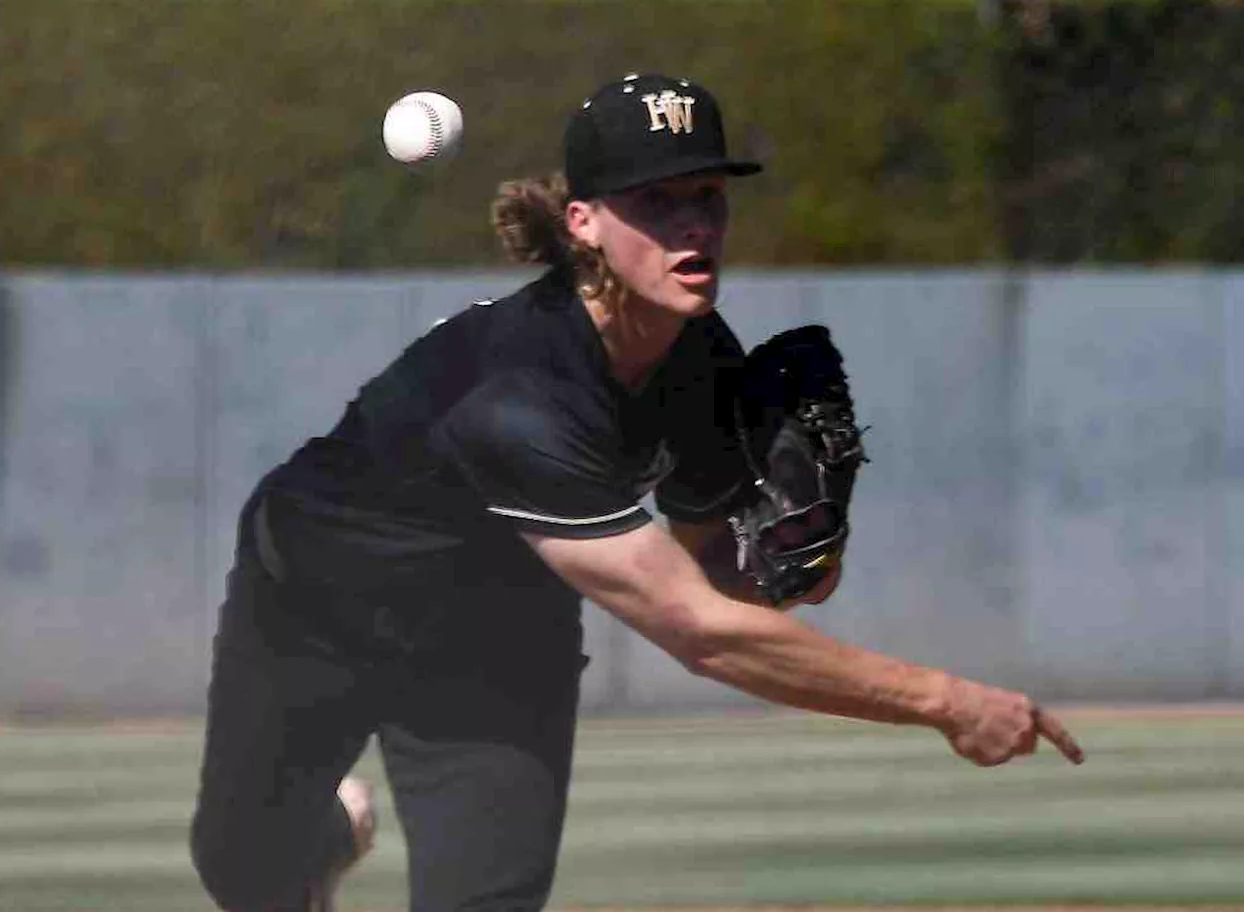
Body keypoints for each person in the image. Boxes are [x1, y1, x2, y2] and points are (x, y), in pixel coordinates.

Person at [189, 72, 1084, 912]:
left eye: (707, 198)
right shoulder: (518, 396)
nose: (691, 226)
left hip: (494, 641)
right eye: (655, 202)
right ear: (583, 222)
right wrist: (945, 701)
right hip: (317, 601)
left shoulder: (697, 358)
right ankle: (323, 832)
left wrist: (810, 541)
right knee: (243, 870)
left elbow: (730, 590)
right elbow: (700, 633)